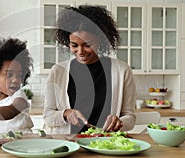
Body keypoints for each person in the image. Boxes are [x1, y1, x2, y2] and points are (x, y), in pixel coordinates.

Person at [43, 5, 136, 134]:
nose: (80, 52)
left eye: (87, 45)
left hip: (104, 144)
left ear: (101, 40)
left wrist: (119, 122)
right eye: (74, 45)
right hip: (68, 145)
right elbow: (48, 116)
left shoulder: (122, 71)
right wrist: (66, 113)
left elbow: (130, 117)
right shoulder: (58, 71)